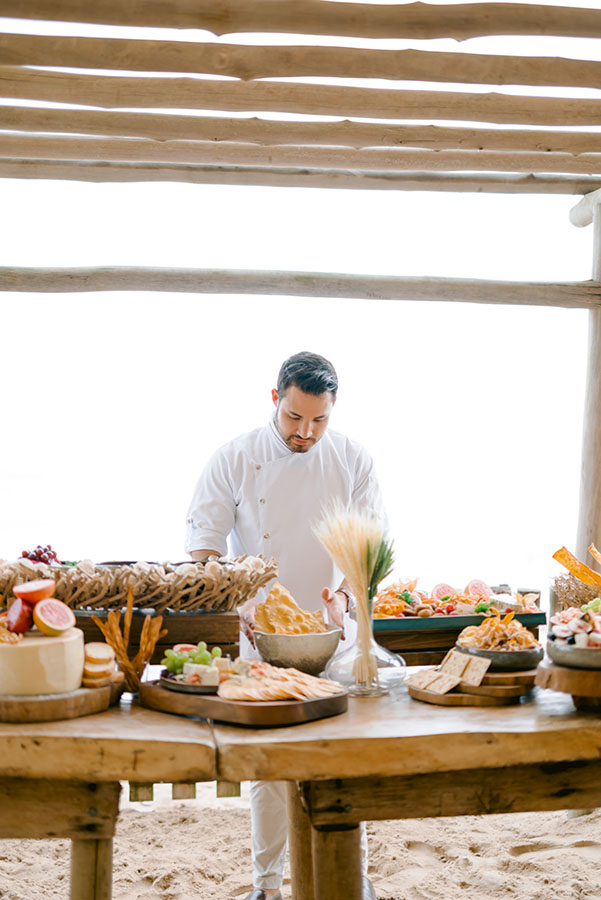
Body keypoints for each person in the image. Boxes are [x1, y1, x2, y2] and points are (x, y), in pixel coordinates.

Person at [185, 351, 386, 900]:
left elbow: (369, 548)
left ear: (333, 410)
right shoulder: (234, 457)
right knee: (271, 771)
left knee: (342, 757)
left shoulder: (352, 460)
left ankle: (353, 880)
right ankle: (267, 886)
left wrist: (345, 596)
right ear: (275, 399)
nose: (306, 432)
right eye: (295, 418)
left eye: (319, 420)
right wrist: (238, 599)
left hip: (331, 629)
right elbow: (204, 545)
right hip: (260, 632)